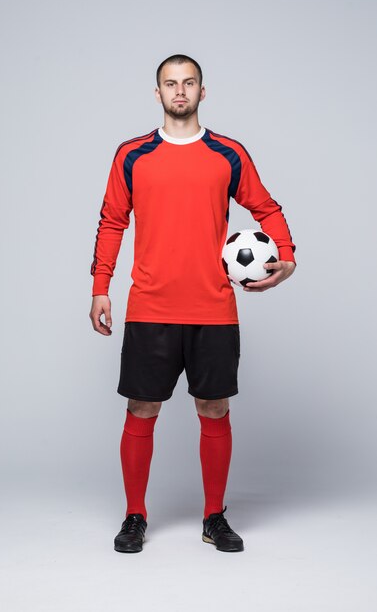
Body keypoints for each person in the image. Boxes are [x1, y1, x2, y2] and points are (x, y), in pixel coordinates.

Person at [89, 54, 296, 553]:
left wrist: (285, 257)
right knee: (142, 408)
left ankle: (214, 517)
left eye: (188, 83)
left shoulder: (228, 154)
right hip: (150, 307)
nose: (179, 91)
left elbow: (266, 207)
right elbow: (113, 220)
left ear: (203, 92)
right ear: (157, 93)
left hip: (213, 308)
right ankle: (135, 515)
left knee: (214, 408)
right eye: (169, 83)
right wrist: (101, 286)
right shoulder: (132, 155)